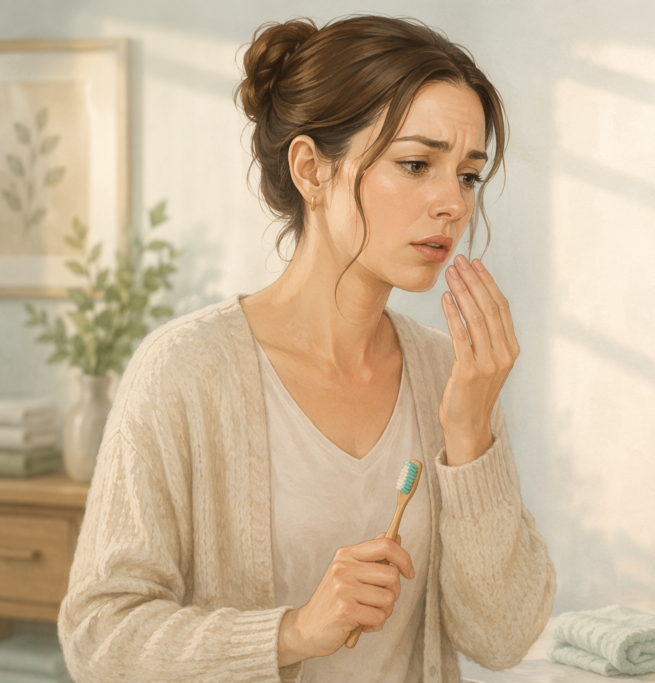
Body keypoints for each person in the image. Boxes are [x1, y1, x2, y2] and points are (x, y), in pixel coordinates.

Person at [57, 15, 556, 683]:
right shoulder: (184, 371)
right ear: (311, 170)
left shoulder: (449, 374)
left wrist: (469, 436)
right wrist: (293, 630)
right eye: (416, 164)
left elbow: (500, 636)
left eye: (467, 175)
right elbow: (99, 635)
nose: (453, 204)